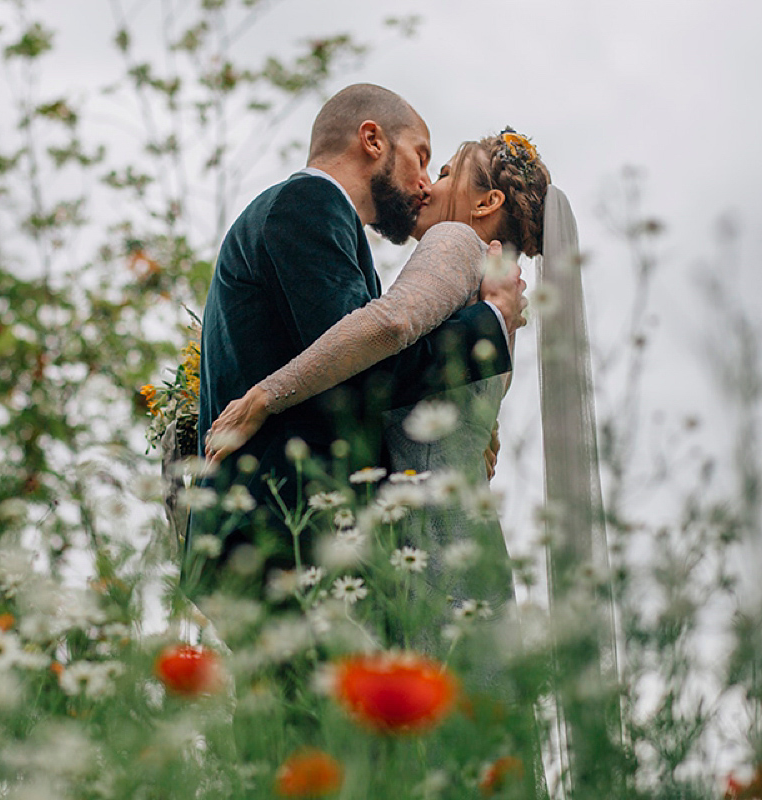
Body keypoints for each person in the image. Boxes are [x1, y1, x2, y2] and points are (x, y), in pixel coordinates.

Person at [188, 85, 526, 591]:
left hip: (282, 537)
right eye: (422, 156)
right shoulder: (308, 202)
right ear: (372, 140)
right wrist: (491, 321)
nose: (423, 183)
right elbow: (365, 371)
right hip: (281, 529)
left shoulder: (322, 221)